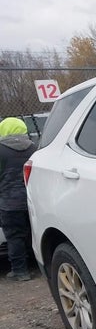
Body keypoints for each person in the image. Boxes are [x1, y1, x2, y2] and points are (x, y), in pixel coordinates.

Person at [0, 117, 37, 281]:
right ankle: (39, 264)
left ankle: (20, 271)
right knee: (34, 233)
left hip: (9, 203)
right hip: (32, 200)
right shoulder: (34, 148)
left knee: (15, 236)